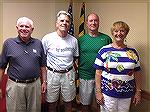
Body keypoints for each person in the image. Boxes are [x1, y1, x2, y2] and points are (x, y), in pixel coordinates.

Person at [0, 17, 47, 112]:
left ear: (32, 29)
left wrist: (44, 81)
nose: (24, 28)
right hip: (15, 86)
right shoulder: (8, 43)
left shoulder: (38, 43)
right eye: (21, 26)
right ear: (17, 28)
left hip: (34, 85)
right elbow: (1, 67)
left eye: (27, 26)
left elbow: (43, 66)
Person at [93, 21, 142, 112]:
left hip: (127, 94)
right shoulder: (104, 50)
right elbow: (98, 73)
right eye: (116, 31)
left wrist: (138, 92)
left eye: (122, 31)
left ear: (126, 33)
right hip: (108, 94)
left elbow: (137, 72)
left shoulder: (132, 51)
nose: (119, 33)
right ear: (112, 33)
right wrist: (98, 92)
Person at [42, 10, 79, 112]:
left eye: (67, 21)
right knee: (52, 104)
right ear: (57, 23)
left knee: (68, 103)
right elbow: (42, 59)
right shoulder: (47, 38)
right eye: (61, 20)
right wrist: (44, 80)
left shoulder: (73, 40)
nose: (64, 23)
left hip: (68, 75)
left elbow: (75, 58)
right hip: (52, 74)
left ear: (69, 24)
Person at [78, 13, 112, 112]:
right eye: (91, 21)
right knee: (85, 104)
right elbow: (77, 58)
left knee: (101, 103)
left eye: (95, 20)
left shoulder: (106, 39)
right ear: (87, 24)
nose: (93, 23)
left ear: (99, 23)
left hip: (102, 77)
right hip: (85, 76)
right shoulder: (80, 40)